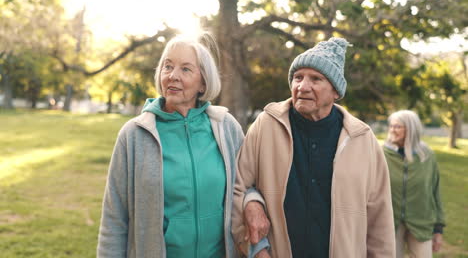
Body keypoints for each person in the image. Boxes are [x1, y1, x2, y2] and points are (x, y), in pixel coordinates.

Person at [232, 37, 396, 257]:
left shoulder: (362, 139)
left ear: (336, 91)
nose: (303, 86)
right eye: (298, 77)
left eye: (316, 79)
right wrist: (257, 250)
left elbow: (380, 218)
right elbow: (237, 187)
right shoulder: (266, 125)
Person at [97, 32, 244, 258]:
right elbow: (114, 217)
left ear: (203, 83)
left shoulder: (226, 127)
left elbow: (247, 188)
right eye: (168, 67)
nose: (173, 76)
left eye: (185, 69)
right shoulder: (134, 135)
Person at [383, 110, 445, 258]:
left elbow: (435, 191)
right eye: (391, 126)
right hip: (389, 222)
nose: (392, 130)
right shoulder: (381, 153)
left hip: (421, 222)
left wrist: (438, 229)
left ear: (411, 130)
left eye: (398, 127)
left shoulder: (427, 156)